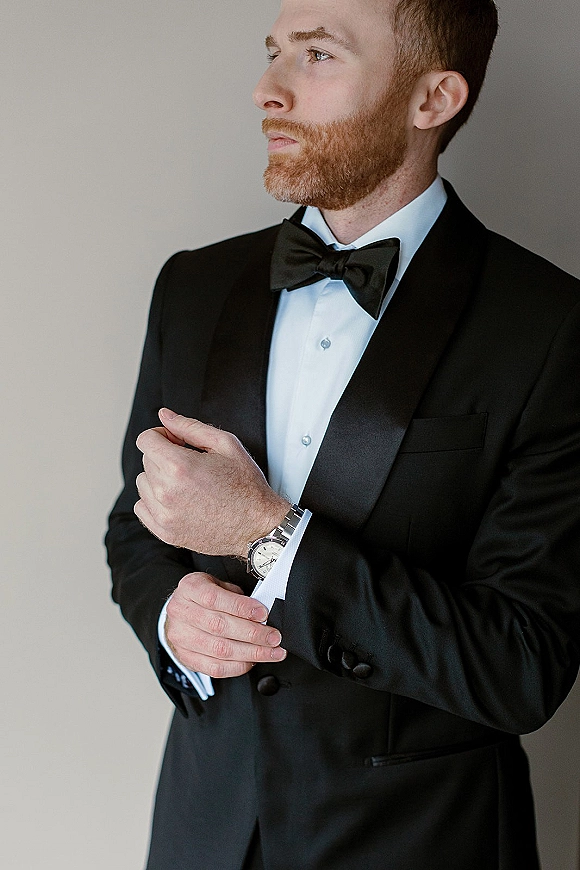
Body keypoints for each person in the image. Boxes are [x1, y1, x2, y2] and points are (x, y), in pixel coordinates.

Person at [105, 0, 580, 867]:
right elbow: (136, 522)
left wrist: (265, 534)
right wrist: (172, 616)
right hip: (205, 828)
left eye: (317, 56)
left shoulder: (552, 328)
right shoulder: (193, 286)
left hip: (424, 840)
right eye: (275, 52)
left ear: (432, 98)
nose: (266, 91)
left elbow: (523, 665)